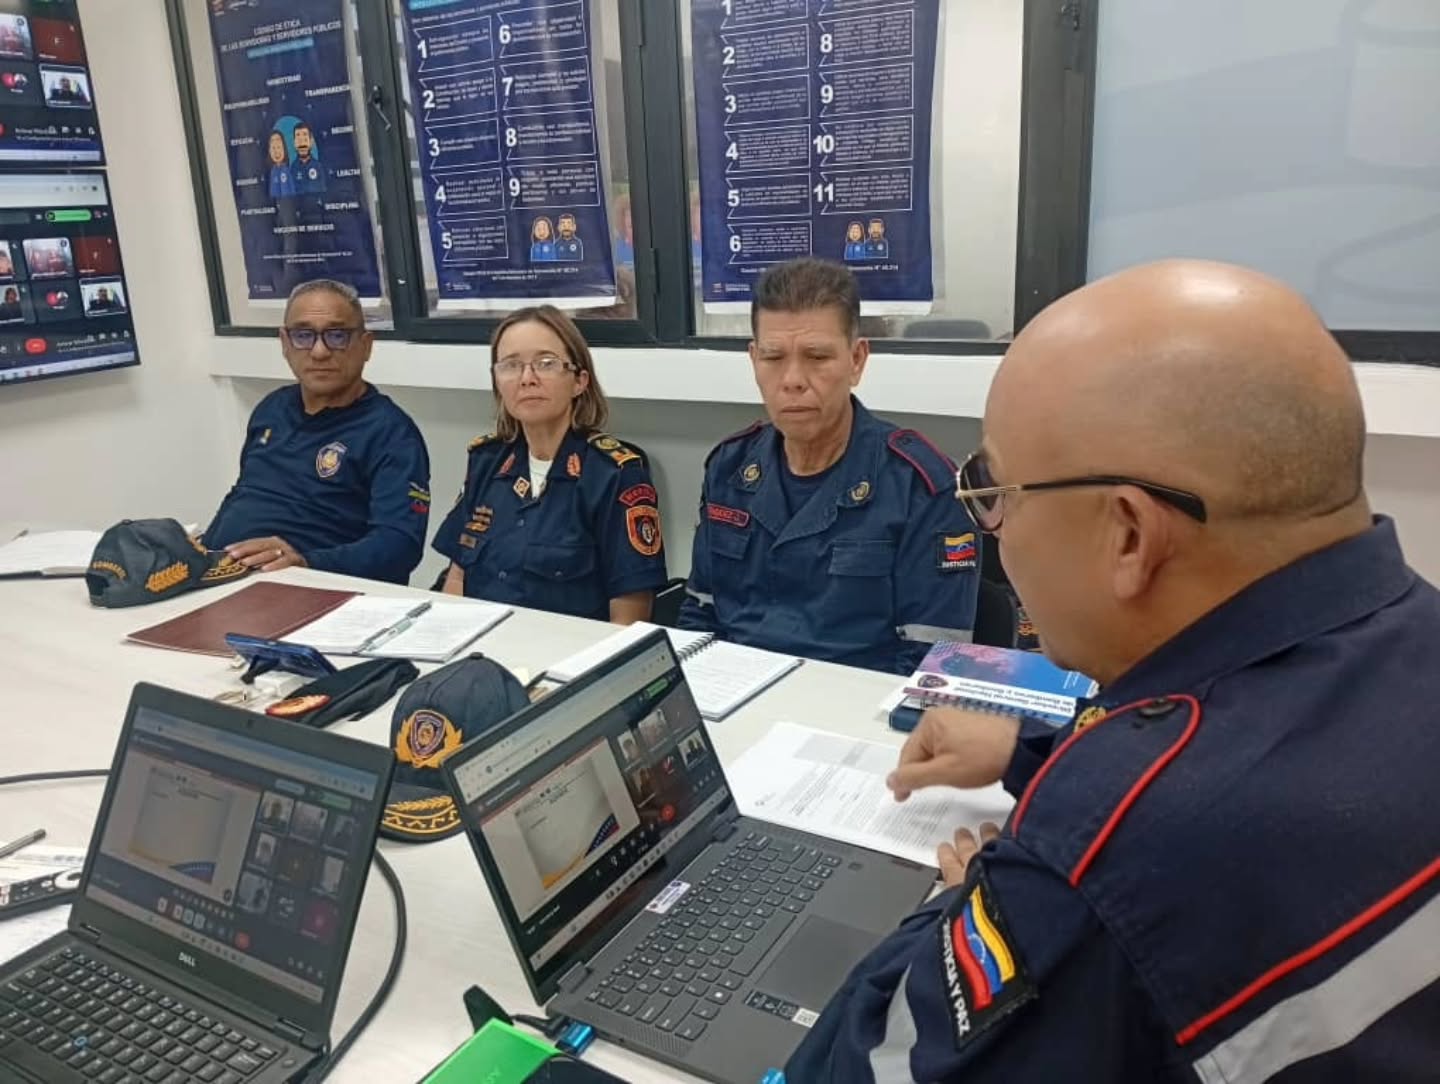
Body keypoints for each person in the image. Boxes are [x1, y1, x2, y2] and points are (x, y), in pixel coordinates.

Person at [785, 260, 1440, 1082]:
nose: (994, 530)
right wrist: (1030, 748)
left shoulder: (1103, 855)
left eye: (996, 490)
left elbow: (867, 1067)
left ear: (1129, 534)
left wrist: (970, 903)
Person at [679, 258, 980, 673]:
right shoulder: (729, 468)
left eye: (817, 357)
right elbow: (700, 615)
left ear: (857, 360)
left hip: (852, 714)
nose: (793, 379)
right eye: (773, 357)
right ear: (753, 360)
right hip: (732, 701)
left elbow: (932, 665)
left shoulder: (921, 486)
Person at [432, 304, 667, 622]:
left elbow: (629, 617)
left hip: (567, 662)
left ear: (579, 381)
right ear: (497, 382)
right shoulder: (486, 462)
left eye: (545, 363)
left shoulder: (614, 474)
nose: (527, 379)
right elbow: (458, 576)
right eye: (510, 365)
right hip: (480, 656)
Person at [202, 278, 431, 584]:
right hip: (227, 579)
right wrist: (203, 551)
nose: (320, 351)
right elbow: (245, 495)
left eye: (337, 336)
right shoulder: (271, 410)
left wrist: (306, 563)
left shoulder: (391, 433)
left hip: (319, 592)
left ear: (366, 346)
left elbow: (399, 546)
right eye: (303, 335)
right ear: (285, 343)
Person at [290, 122, 326, 195]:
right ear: (294, 143)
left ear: (311, 142)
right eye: (299, 141)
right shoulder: (293, 168)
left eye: (305, 140)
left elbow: (323, 190)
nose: (302, 144)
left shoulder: (318, 166)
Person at [266, 130, 295, 201]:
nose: (276, 152)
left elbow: (291, 191)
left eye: (279, 147)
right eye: (273, 148)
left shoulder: (287, 170)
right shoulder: (273, 172)